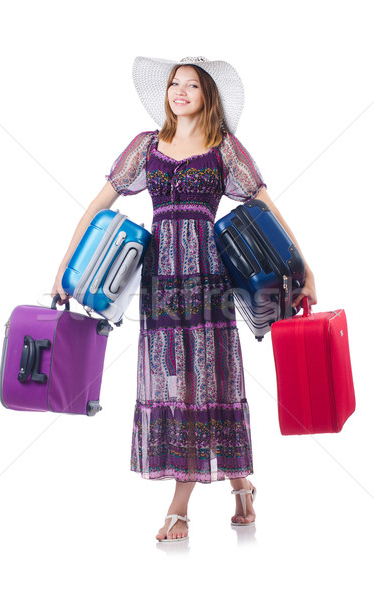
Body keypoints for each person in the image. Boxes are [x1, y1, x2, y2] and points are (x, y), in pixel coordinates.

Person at [51, 56, 317, 543]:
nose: (180, 91)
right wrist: (67, 268)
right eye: (175, 83)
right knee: (178, 383)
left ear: (207, 95)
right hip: (161, 281)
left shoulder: (224, 149)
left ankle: (179, 505)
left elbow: (264, 206)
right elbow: (97, 207)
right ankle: (241, 487)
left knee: (208, 382)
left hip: (209, 279)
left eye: (191, 85)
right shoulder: (145, 146)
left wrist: (304, 267)